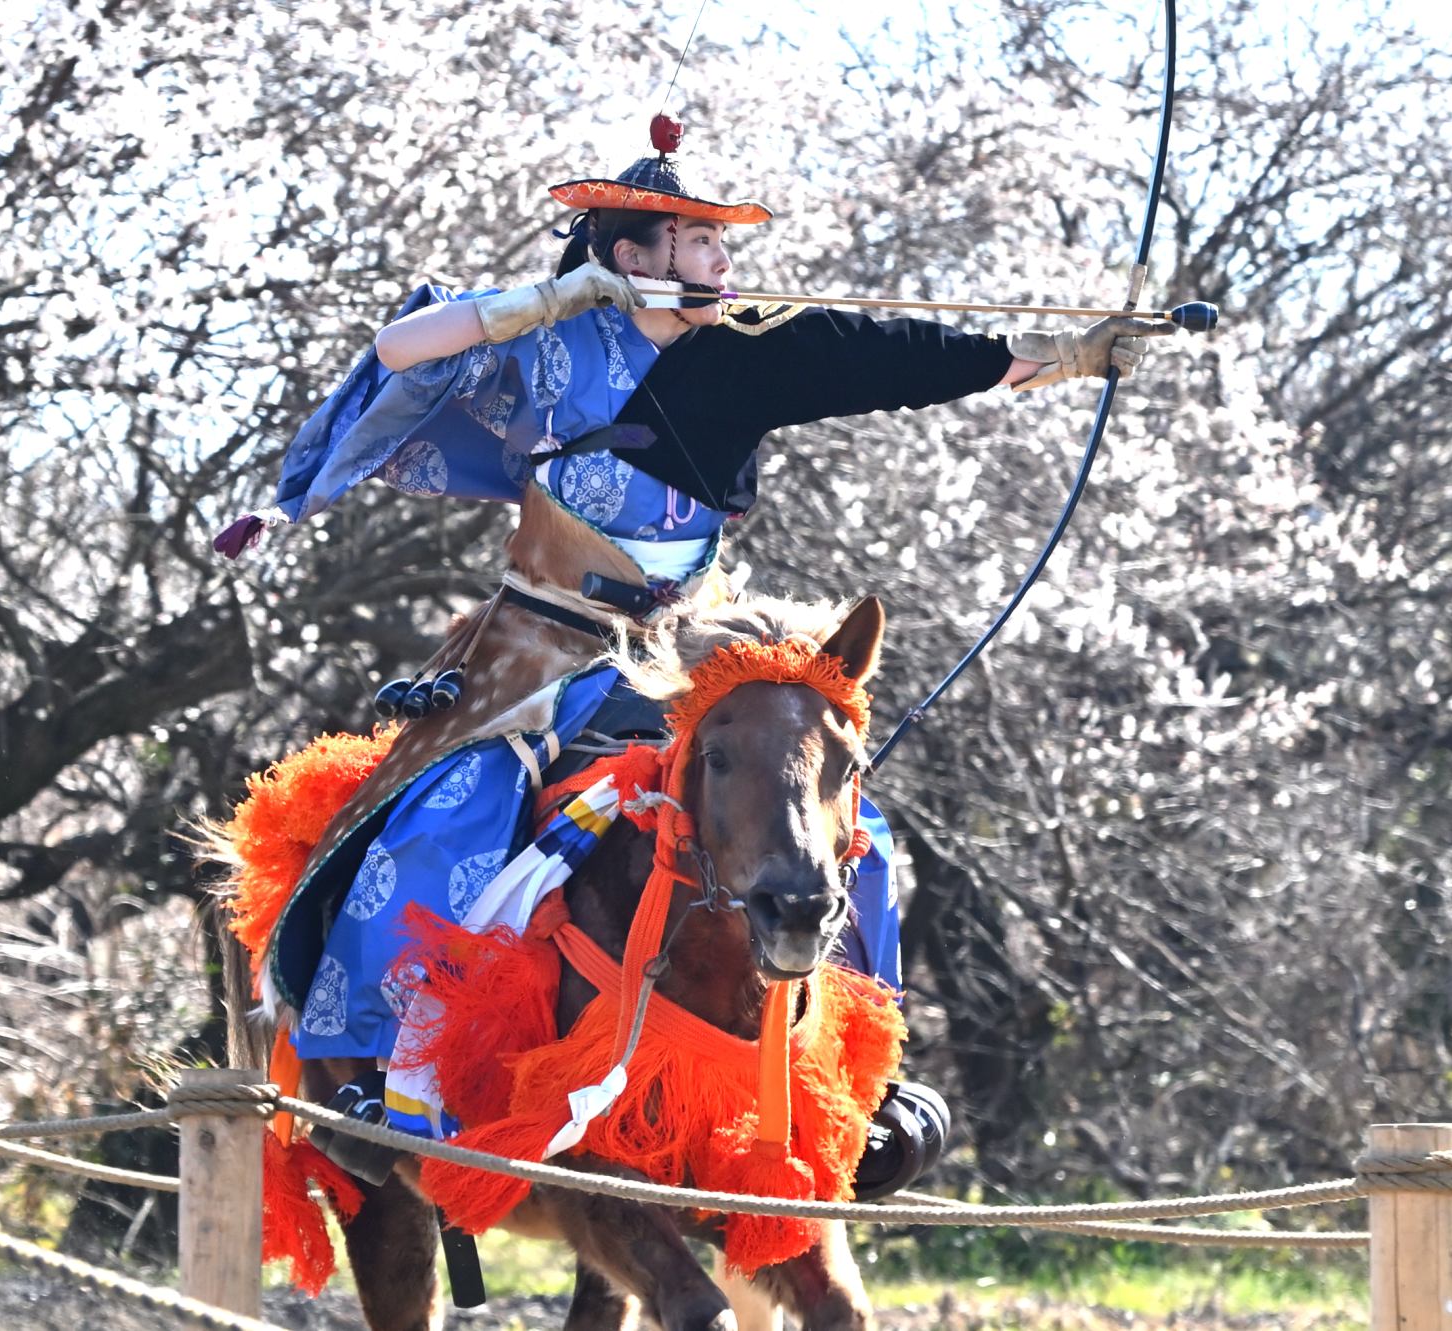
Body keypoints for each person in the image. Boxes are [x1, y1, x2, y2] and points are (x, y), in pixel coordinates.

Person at [217, 116, 1176, 1194]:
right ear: (631, 255)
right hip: (537, 642)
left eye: (723, 243)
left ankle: (855, 1085)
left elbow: (895, 354)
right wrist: (552, 299)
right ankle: (378, 1070)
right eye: (700, 242)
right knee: (450, 808)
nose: (724, 262)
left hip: (680, 653)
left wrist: (1070, 355)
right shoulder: (551, 340)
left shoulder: (749, 349)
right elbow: (403, 348)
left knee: (839, 822)